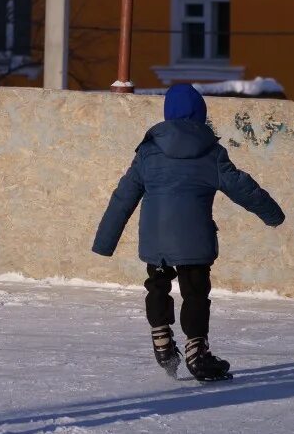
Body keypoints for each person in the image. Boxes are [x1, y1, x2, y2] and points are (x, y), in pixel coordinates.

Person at [92, 84, 284, 382]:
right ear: (200, 115)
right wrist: (272, 214)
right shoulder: (210, 153)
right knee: (195, 294)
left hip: (156, 241)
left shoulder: (148, 152)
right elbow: (241, 186)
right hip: (194, 241)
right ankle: (196, 351)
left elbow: (123, 197)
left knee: (157, 286)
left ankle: (161, 336)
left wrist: (105, 241)